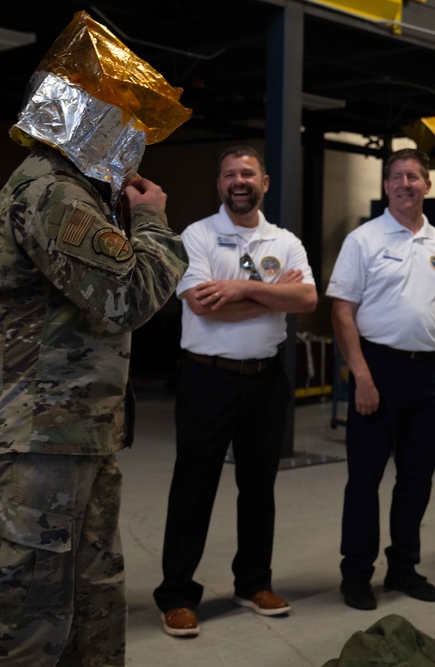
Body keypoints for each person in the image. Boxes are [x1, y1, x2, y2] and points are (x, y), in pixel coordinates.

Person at [0, 11, 190, 665]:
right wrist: (154, 222)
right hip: (30, 439)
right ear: (84, 124)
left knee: (91, 605)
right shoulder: (51, 193)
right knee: (26, 625)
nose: (135, 139)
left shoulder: (71, 191)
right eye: (125, 123)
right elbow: (128, 297)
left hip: (71, 434)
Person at [153, 145, 317, 637]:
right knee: (193, 488)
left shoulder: (285, 241)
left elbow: (307, 297)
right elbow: (203, 305)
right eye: (229, 174)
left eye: (247, 173)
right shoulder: (197, 235)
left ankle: (253, 583)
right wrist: (273, 296)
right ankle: (177, 594)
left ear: (265, 182)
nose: (238, 181)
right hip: (207, 378)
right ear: (219, 184)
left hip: (266, 380)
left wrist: (242, 290)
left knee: (259, 488)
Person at [327, 148, 435, 610]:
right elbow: (342, 313)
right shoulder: (363, 240)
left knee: (416, 479)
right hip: (378, 370)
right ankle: (356, 575)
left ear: (427, 185)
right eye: (396, 177)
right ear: (385, 186)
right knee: (364, 481)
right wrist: (361, 376)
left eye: (414, 176)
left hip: (430, 374)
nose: (405, 183)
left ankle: (403, 568)